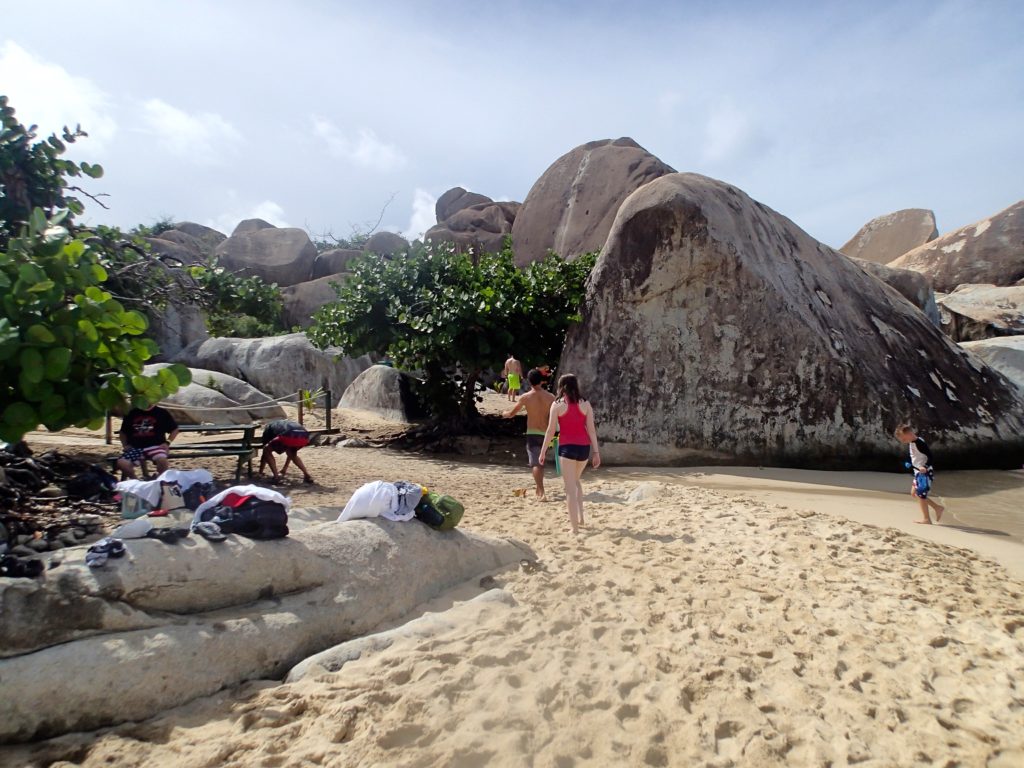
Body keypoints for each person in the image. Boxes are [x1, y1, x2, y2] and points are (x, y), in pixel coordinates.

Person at [539, 374, 601, 534]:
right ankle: (580, 518)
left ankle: (574, 529)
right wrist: (596, 452)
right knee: (576, 481)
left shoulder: (557, 405)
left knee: (569, 489)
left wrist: (543, 450)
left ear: (561, 387)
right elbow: (591, 430)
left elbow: (550, 430)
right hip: (583, 448)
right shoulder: (585, 403)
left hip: (567, 448)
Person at [503, 369, 557, 500]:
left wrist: (504, 413)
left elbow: (511, 414)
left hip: (532, 433)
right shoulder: (551, 397)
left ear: (529, 381)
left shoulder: (526, 397)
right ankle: (540, 488)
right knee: (540, 462)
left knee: (536, 464)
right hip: (546, 434)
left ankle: (541, 491)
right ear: (542, 381)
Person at [894, 424, 944, 524]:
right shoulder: (913, 442)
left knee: (920, 494)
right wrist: (910, 462)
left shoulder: (919, 443)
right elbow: (916, 456)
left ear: (908, 434)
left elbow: (930, 457)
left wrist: (925, 467)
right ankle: (937, 508)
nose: (902, 442)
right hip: (918, 473)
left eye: (903, 439)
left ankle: (927, 519)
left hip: (925, 473)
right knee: (914, 493)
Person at [116, 404, 179, 480]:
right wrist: (125, 445)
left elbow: (174, 429)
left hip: (156, 446)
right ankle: (135, 480)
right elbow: (123, 432)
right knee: (122, 463)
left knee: (162, 460)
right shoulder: (132, 413)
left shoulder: (161, 412)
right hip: (136, 447)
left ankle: (160, 480)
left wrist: (167, 443)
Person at [259, 419, 314, 484]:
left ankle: (276, 477)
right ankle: (307, 475)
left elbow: (265, 454)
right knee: (292, 454)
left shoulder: (268, 429)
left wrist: (260, 471)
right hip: (304, 437)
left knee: (266, 449)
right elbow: (290, 454)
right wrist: (284, 469)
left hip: (288, 435)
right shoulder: (282, 424)